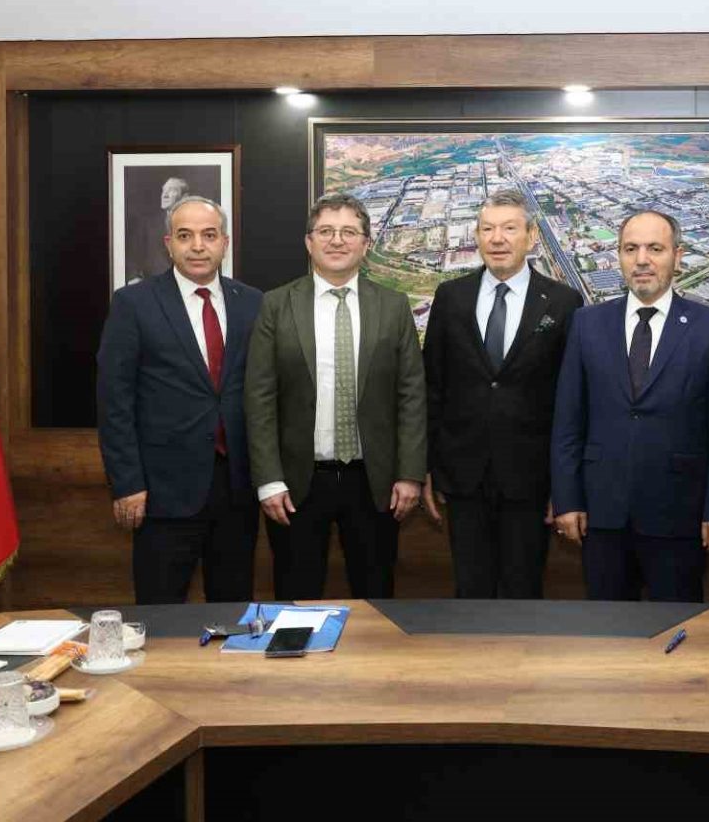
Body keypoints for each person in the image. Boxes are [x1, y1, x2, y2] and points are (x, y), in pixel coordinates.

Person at [551, 210, 709, 602]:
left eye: (655, 249)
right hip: (602, 514)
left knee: (678, 628)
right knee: (607, 631)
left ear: (677, 256)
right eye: (630, 249)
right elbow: (568, 421)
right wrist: (567, 500)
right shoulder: (586, 324)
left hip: (679, 515)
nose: (642, 260)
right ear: (619, 256)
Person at [244, 194, 426, 599]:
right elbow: (259, 398)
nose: (337, 240)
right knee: (296, 599)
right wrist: (268, 480)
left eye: (349, 232)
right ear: (309, 242)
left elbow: (411, 394)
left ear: (366, 243)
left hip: (375, 483)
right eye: (326, 231)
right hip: (297, 484)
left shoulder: (394, 306)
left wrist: (410, 474)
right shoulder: (276, 305)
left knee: (376, 598)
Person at [97, 195, 262, 603]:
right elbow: (114, 401)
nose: (198, 246)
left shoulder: (253, 303)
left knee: (233, 612)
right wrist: (127, 483)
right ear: (168, 244)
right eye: (185, 236)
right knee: (160, 615)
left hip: (237, 489)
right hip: (162, 492)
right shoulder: (134, 304)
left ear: (225, 243)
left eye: (209, 235)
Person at [422, 190, 582, 598]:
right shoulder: (450, 297)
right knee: (469, 592)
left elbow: (572, 401)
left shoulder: (563, 302)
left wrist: (565, 484)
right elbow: (433, 386)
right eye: (487, 229)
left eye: (509, 228)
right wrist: (427, 467)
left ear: (531, 236)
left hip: (531, 478)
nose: (497, 238)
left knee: (523, 593)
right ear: (476, 236)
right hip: (463, 476)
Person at [127, 175, 190, 285]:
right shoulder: (148, 225)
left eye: (172, 190)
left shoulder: (196, 224)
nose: (164, 195)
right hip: (154, 285)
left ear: (184, 197)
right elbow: (134, 256)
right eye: (163, 190)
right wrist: (135, 276)